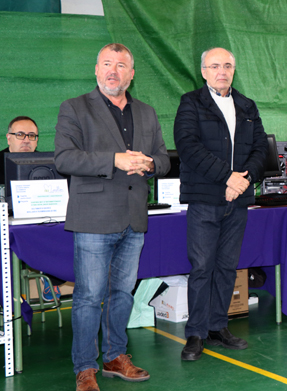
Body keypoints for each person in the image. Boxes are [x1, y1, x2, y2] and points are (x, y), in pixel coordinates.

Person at [55, 43, 170, 391]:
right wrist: (114, 160)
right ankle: (85, 367)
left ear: (131, 74)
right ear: (96, 69)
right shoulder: (74, 108)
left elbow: (164, 159)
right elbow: (64, 158)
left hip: (134, 218)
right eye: (107, 63)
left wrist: (150, 164)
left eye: (121, 65)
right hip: (93, 218)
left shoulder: (147, 112)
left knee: (122, 294)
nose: (113, 71)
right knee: (89, 297)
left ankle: (115, 356)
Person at [175, 47, 268, 361]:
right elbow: (188, 147)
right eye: (215, 66)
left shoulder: (247, 105)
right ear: (203, 72)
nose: (222, 71)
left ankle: (218, 326)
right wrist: (227, 178)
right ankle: (196, 332)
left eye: (227, 66)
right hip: (205, 200)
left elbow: (260, 149)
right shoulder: (191, 102)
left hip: (238, 201)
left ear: (234, 70)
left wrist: (243, 180)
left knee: (227, 267)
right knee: (202, 267)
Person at [2, 116, 66, 301]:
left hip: (40, 222)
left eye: (31, 136)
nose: (26, 140)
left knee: (61, 230)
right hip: (6, 225)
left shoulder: (48, 163)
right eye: (20, 135)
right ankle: (10, 296)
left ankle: (51, 275)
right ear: (9, 138)